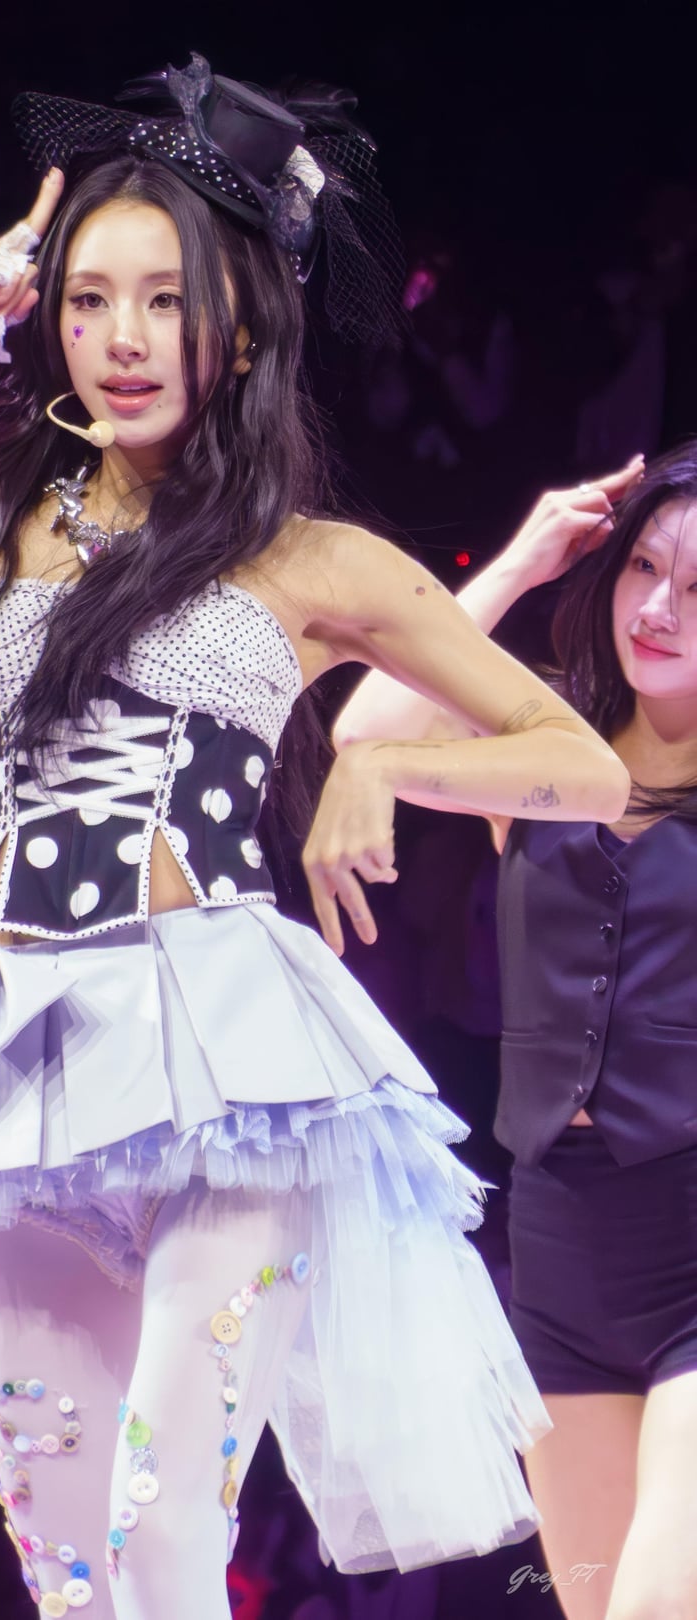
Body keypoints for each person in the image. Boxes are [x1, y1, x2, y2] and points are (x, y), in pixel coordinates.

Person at [0, 60, 631, 1620]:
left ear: (240, 331)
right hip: (10, 1057)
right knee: (67, 1564)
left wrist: (382, 774)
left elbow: (583, 766)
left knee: (161, 1532)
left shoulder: (309, 558)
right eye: (89, 301)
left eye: (164, 302)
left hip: (226, 1052)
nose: (122, 338)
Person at [334, 442, 697, 1620]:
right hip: (560, 1248)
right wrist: (523, 562)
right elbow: (368, 732)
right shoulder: (553, 749)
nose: (658, 608)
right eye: (644, 567)